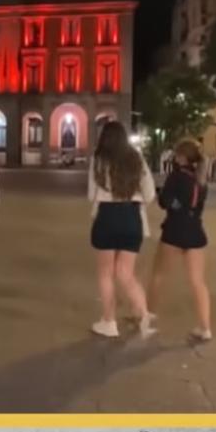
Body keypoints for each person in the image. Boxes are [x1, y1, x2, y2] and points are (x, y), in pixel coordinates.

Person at [88, 120, 156, 338]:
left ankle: (109, 321)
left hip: (107, 216)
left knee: (105, 273)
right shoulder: (136, 159)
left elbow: (91, 194)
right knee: (126, 273)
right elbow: (150, 193)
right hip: (131, 216)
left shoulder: (98, 160)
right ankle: (143, 314)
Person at [146, 139, 212, 341]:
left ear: (182, 157)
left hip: (174, 231)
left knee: (159, 275)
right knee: (197, 282)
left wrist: (174, 205)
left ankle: (147, 316)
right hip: (195, 232)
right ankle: (205, 327)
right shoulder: (201, 181)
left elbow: (164, 202)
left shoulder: (176, 177)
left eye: (177, 155)